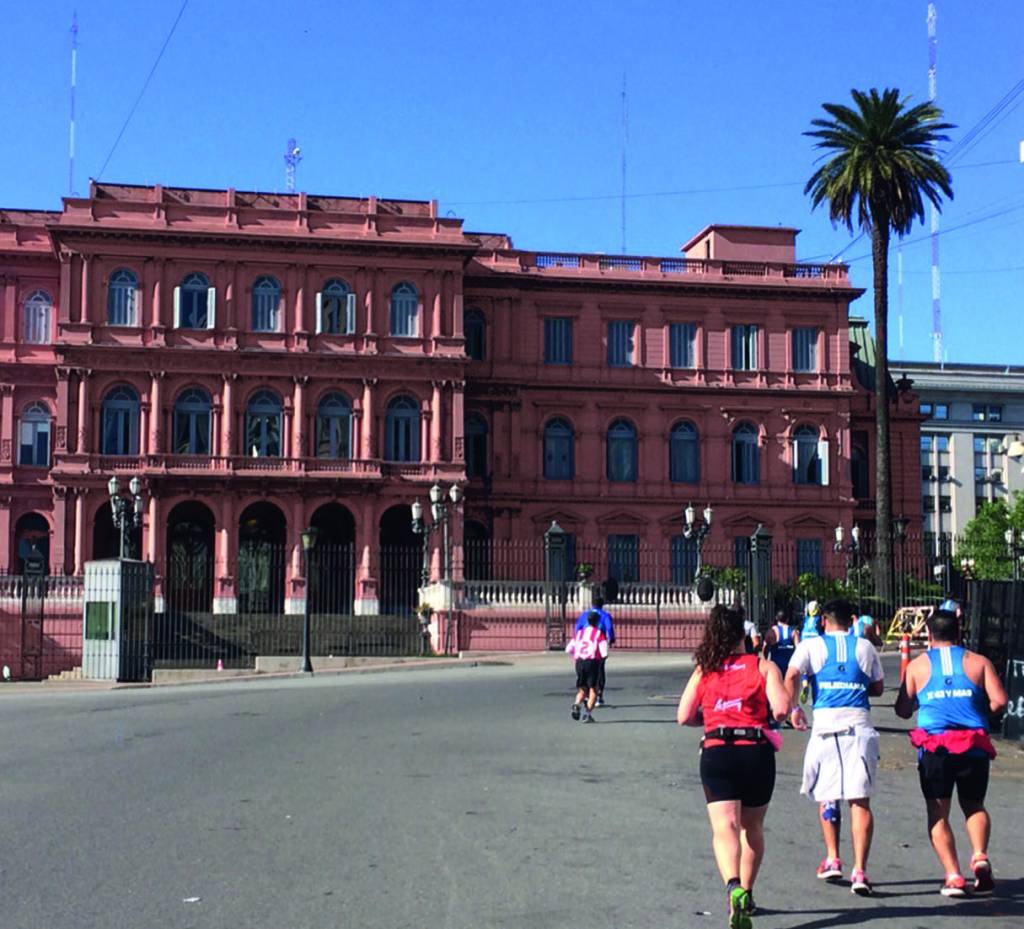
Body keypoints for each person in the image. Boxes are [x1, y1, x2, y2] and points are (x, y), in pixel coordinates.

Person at [678, 605, 790, 928]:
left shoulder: (705, 669)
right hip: (755, 750)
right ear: (742, 634)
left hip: (717, 750)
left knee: (724, 828)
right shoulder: (762, 666)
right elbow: (781, 709)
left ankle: (732, 887)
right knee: (751, 828)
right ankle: (749, 892)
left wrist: (711, 719)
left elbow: (684, 715)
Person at [894, 608, 1008, 897]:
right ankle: (980, 855)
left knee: (938, 811)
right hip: (973, 745)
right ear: (959, 633)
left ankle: (954, 875)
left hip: (936, 747)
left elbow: (904, 711)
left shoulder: (918, 666)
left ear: (929, 635)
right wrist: (978, 711)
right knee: (974, 805)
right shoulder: (978, 662)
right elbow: (1000, 701)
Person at [785, 598, 884, 896]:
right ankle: (860, 871)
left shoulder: (812, 646)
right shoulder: (865, 647)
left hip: (826, 726)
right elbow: (878, 687)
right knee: (860, 799)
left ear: (824, 621)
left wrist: (794, 709)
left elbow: (791, 675)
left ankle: (832, 857)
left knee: (828, 795)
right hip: (858, 726)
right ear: (851, 619)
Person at [566, 610, 609, 723]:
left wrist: (577, 655)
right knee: (594, 689)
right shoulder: (599, 634)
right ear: (597, 622)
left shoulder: (579, 633)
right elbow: (604, 653)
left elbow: (568, 649)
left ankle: (576, 704)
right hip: (592, 662)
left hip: (579, 662)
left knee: (582, 689)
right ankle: (587, 714)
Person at [575, 595, 615, 706]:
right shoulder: (605, 615)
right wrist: (611, 639)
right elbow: (609, 628)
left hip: (583, 646)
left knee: (583, 672)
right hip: (597, 643)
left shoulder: (584, 615)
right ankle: (598, 694)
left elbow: (577, 628)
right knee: (599, 669)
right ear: (602, 605)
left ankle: (585, 694)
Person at [798, 600, 822, 703]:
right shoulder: (819, 621)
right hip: (816, 647)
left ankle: (805, 685)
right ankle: (814, 693)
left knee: (805, 669)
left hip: (805, 647)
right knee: (815, 670)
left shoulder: (804, 620)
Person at [764, 610, 800, 676]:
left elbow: (765, 647)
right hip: (789, 665)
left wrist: (765, 660)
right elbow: (798, 650)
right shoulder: (793, 631)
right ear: (787, 619)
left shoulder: (772, 631)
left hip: (776, 666)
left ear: (777, 618)